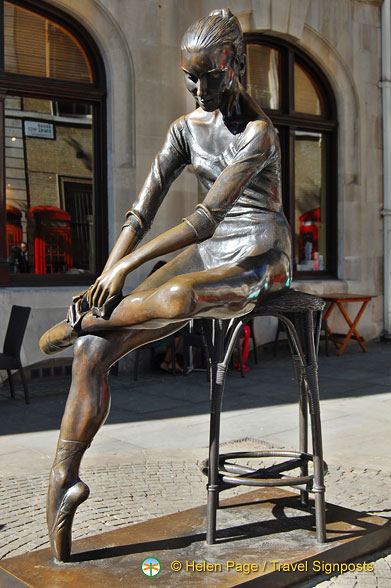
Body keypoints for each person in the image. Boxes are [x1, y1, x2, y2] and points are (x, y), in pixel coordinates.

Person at [39, 8, 292, 562]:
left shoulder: (259, 134)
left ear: (236, 68)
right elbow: (141, 210)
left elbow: (205, 217)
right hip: (206, 253)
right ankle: (64, 475)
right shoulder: (186, 129)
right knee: (89, 351)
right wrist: (112, 266)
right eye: (190, 79)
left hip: (258, 252)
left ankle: (84, 319)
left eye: (210, 77)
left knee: (178, 297)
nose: (199, 89)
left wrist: (123, 275)